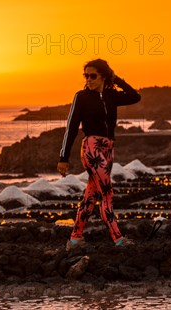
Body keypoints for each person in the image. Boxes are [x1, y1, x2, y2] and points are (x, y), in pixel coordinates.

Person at [58, 59, 141, 250]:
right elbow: (71, 128)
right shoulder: (81, 97)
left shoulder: (111, 96)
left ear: (103, 76)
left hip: (108, 148)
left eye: (93, 75)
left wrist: (116, 79)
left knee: (90, 197)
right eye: (86, 75)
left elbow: (135, 96)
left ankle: (74, 239)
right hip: (91, 148)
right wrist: (64, 158)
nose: (88, 79)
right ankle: (118, 239)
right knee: (107, 192)